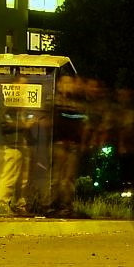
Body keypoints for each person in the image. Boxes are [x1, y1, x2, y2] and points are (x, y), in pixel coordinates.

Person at [0, 77, 40, 214]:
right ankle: (3, 204)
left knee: (23, 179)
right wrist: (25, 125)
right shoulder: (8, 103)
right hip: (13, 144)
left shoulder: (22, 104)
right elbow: (4, 123)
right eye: (22, 85)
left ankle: (20, 205)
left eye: (26, 85)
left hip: (23, 144)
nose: (25, 88)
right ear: (14, 86)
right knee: (10, 176)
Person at [47, 74, 88, 217]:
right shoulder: (54, 101)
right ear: (59, 85)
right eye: (65, 83)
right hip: (59, 144)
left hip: (72, 145)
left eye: (70, 83)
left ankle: (66, 206)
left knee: (68, 178)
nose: (68, 86)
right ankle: (53, 205)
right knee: (57, 177)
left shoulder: (77, 102)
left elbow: (81, 122)